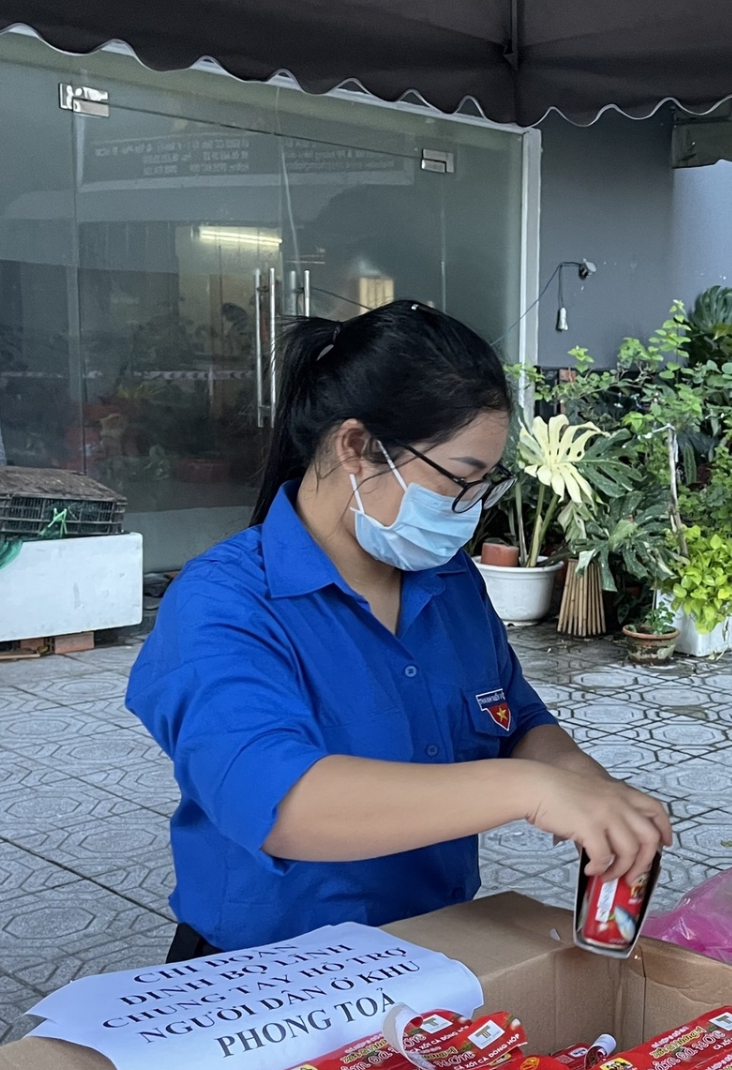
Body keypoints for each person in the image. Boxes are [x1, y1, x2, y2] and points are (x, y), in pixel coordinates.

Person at [127, 301, 671, 960]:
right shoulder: (225, 603)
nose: (467, 510)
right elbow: (284, 804)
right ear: (356, 447)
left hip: (428, 956)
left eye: (483, 486)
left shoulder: (448, 583)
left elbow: (516, 720)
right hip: (262, 976)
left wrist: (586, 786)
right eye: (459, 480)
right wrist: (530, 792)